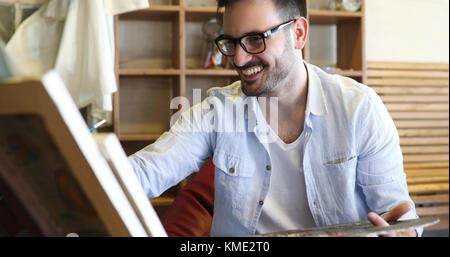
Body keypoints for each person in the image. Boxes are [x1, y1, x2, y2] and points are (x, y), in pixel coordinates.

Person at [128, 0, 420, 237]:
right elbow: (146, 171)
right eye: (231, 42)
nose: (239, 60)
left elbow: (398, 214)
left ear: (299, 34)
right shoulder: (217, 111)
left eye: (255, 40)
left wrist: (399, 234)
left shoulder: (358, 108)